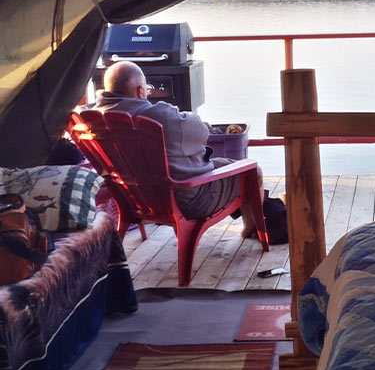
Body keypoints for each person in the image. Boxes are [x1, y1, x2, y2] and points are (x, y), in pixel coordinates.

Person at [85, 61, 259, 238]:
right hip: (189, 200)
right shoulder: (160, 117)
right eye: (147, 88)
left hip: (134, 200)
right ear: (140, 91)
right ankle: (250, 228)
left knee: (223, 164)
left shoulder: (91, 120)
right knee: (252, 170)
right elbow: (202, 132)